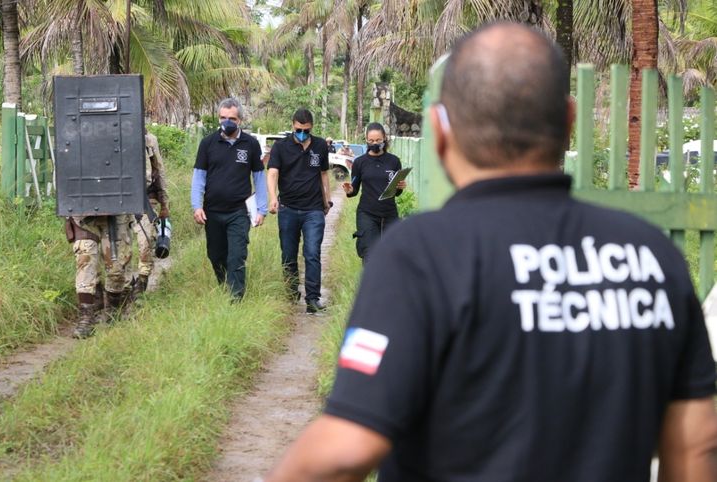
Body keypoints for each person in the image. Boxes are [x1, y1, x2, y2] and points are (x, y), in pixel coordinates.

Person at [267, 22, 717, 481]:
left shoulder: (423, 256)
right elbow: (697, 446)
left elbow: (343, 452)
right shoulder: (651, 258)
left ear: (441, 132)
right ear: (567, 122)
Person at [192, 97, 267, 300]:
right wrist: (197, 206)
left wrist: (262, 209)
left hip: (239, 212)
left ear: (240, 120)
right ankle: (224, 286)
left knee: (236, 255)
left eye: (232, 118)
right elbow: (199, 177)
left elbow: (259, 178)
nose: (227, 122)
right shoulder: (207, 143)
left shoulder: (250, 144)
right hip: (212, 212)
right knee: (216, 255)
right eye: (223, 118)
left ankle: (236, 298)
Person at [267, 108, 332, 313]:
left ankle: (313, 298)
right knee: (288, 254)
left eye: (306, 130)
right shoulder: (280, 147)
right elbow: (272, 173)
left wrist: (327, 201)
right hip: (288, 209)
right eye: (298, 129)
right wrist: (272, 198)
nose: (302, 133)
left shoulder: (320, 145)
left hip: (313, 209)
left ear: (311, 127)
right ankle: (291, 291)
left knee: (312, 252)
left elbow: (323, 175)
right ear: (292, 125)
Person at [342, 122, 406, 262]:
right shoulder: (360, 162)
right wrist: (350, 190)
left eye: (378, 140)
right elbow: (354, 189)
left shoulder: (394, 161)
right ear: (366, 140)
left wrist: (400, 187)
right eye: (371, 141)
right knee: (370, 254)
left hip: (389, 214)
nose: (375, 143)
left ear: (384, 139)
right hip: (367, 214)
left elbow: (396, 193)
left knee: (391, 256)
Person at [66, 214, 132, 338]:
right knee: (84, 258)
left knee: (116, 269)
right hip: (83, 213)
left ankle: (113, 310)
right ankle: (86, 316)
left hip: (117, 210)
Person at [131, 130, 170, 297]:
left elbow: (158, 170)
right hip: (119, 200)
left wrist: (164, 204)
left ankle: (141, 284)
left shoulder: (149, 140)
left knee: (145, 243)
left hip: (146, 199)